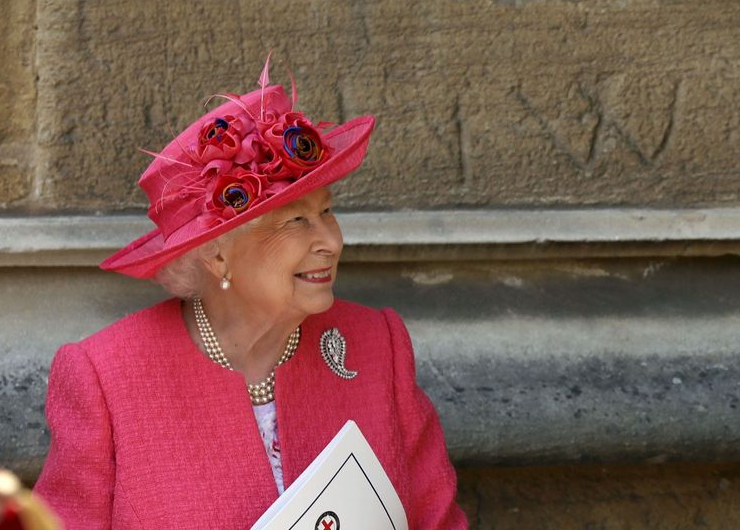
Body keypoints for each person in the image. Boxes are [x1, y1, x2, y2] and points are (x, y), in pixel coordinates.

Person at [34, 60, 468, 529]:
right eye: (296, 221)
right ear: (218, 256)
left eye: (327, 212)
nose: (331, 242)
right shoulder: (106, 378)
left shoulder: (378, 345)